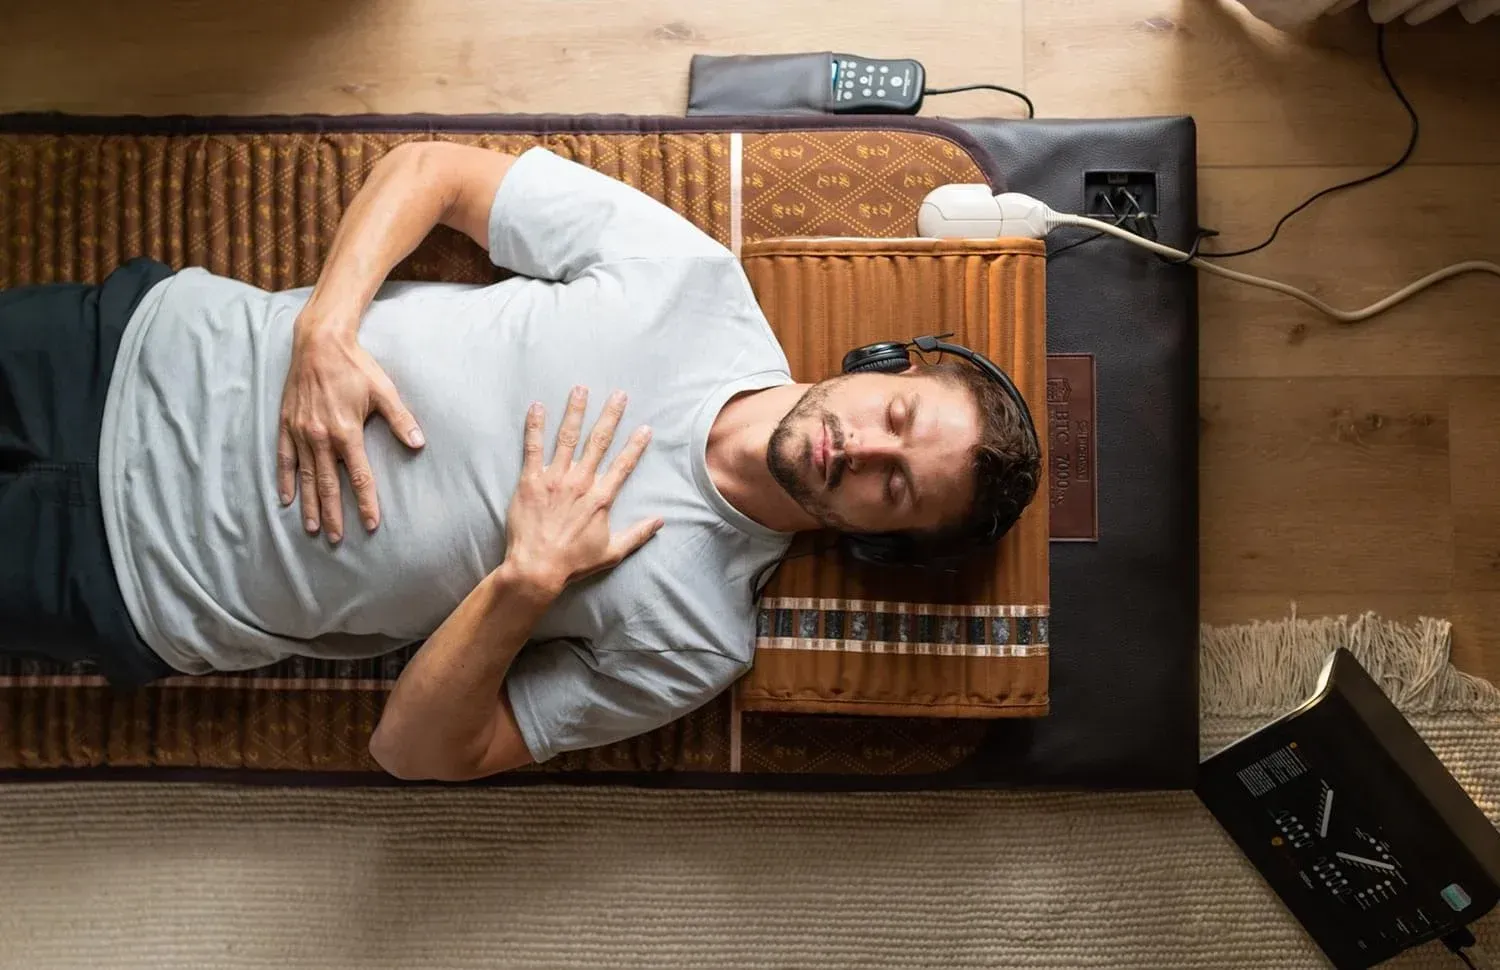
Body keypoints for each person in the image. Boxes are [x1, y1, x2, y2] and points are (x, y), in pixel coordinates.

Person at [0, 142, 1040, 780]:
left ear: (877, 542)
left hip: (137, 582)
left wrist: (525, 580)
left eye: (892, 485)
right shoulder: (693, 281)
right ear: (875, 364)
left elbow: (413, 754)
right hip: (136, 352)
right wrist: (327, 327)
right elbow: (434, 174)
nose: (859, 446)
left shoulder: (697, 639)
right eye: (895, 412)